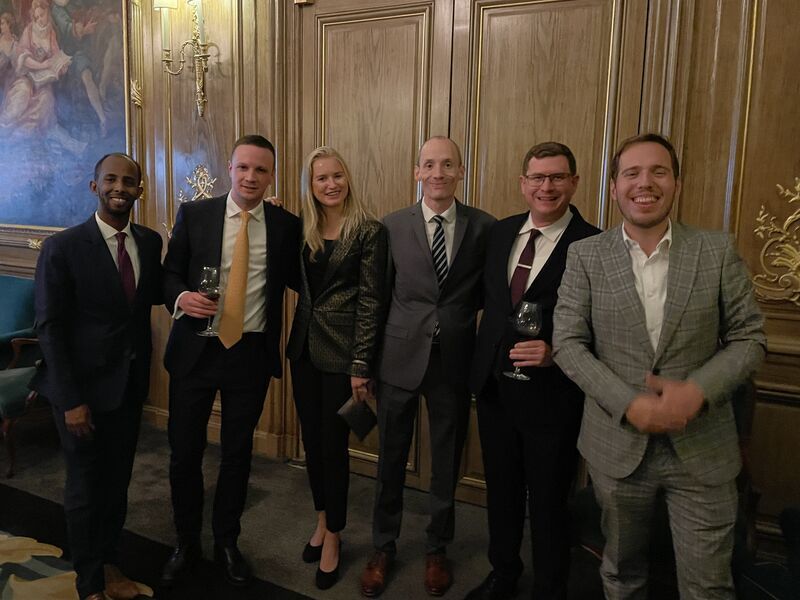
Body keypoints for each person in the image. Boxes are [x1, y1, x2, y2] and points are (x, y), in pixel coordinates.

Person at [553, 133, 766, 599]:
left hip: (703, 448)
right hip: (617, 448)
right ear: (614, 188)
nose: (644, 183)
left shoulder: (716, 250)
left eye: (658, 171)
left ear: (677, 184)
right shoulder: (585, 255)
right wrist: (628, 403)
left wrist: (699, 391)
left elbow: (750, 338)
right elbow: (567, 343)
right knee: (622, 575)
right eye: (631, 173)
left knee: (708, 586)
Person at [161, 134, 301, 588]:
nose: (251, 177)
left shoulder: (285, 225)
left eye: (261, 170)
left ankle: (227, 541)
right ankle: (186, 542)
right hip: (195, 351)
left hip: (249, 354)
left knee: (237, 456)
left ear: (272, 176)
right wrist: (181, 297)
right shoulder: (195, 214)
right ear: (230, 168)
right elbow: (169, 273)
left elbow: (302, 277)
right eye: (243, 167)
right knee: (185, 454)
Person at [360, 136, 496, 598]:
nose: (438, 173)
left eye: (448, 164)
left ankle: (438, 548)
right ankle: (383, 546)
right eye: (430, 165)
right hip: (398, 359)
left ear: (461, 171)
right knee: (390, 460)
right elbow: (377, 296)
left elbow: (488, 295)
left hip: (453, 361)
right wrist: (365, 362)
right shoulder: (392, 225)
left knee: (445, 462)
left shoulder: (484, 227)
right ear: (417, 171)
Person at [466, 142, 601, 600]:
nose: (547, 187)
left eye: (557, 177)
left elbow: (608, 326)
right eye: (538, 178)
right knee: (501, 492)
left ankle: (549, 588)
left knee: (549, 502)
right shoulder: (500, 232)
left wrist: (557, 352)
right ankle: (503, 573)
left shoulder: (594, 244)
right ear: (523, 184)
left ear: (574, 183)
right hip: (495, 390)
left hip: (553, 397)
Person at [31, 152, 163, 600]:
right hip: (79, 395)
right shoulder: (62, 248)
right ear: (95, 186)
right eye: (110, 180)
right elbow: (49, 329)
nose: (119, 188)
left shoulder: (149, 243)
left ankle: (109, 565)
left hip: (127, 390)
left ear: (140, 190)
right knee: (85, 489)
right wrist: (70, 400)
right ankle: (89, 584)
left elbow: (155, 296)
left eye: (129, 181)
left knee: (116, 485)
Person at [286, 146, 388, 590]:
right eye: (321, 178)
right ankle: (322, 519)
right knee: (312, 443)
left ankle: (335, 535)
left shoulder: (369, 231)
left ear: (348, 178)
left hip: (344, 357)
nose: (331, 184)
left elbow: (372, 301)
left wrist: (361, 363)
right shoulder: (303, 227)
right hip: (304, 352)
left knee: (333, 448)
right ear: (310, 185)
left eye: (337, 175)